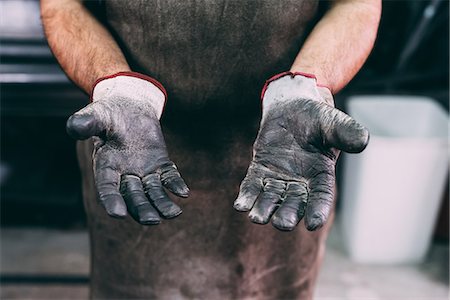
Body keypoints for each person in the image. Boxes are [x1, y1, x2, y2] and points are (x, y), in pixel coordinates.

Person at [41, 0, 381, 298]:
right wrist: (116, 86)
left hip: (285, 152)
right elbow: (65, 5)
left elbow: (355, 4)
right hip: (133, 150)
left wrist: (304, 89)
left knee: (270, 287)